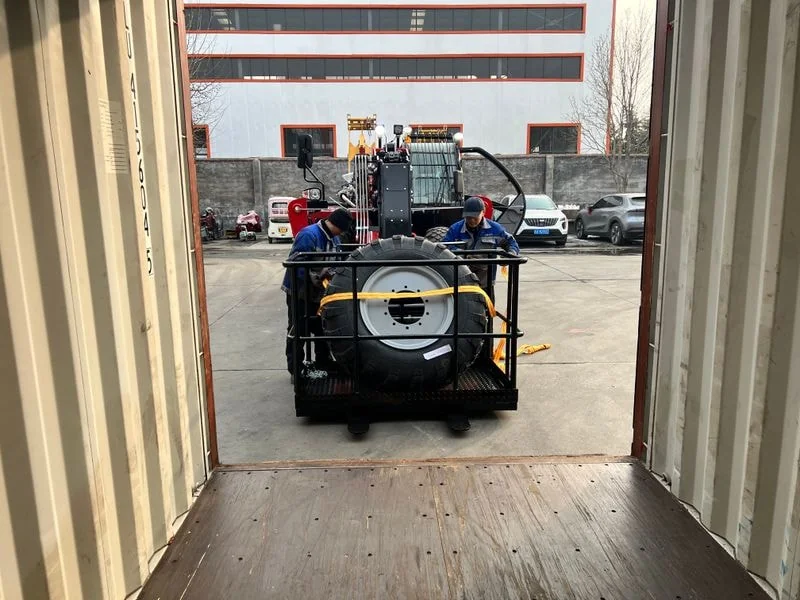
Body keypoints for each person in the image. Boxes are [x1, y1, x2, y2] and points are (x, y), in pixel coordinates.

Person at [282, 208, 353, 376]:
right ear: (336, 225)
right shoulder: (309, 235)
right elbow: (296, 264)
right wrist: (314, 277)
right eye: (342, 229)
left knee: (322, 327)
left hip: (320, 292)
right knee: (299, 328)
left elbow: (336, 262)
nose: (342, 233)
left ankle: (323, 362)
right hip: (300, 290)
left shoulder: (334, 238)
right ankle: (295, 368)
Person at [442, 196, 520, 293]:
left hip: (486, 283)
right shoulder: (455, 230)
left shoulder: (495, 229)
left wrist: (510, 255)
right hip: (461, 283)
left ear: (483, 212)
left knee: (487, 303)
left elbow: (511, 242)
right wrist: (464, 255)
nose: (471, 220)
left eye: (475, 217)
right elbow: (445, 247)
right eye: (468, 217)